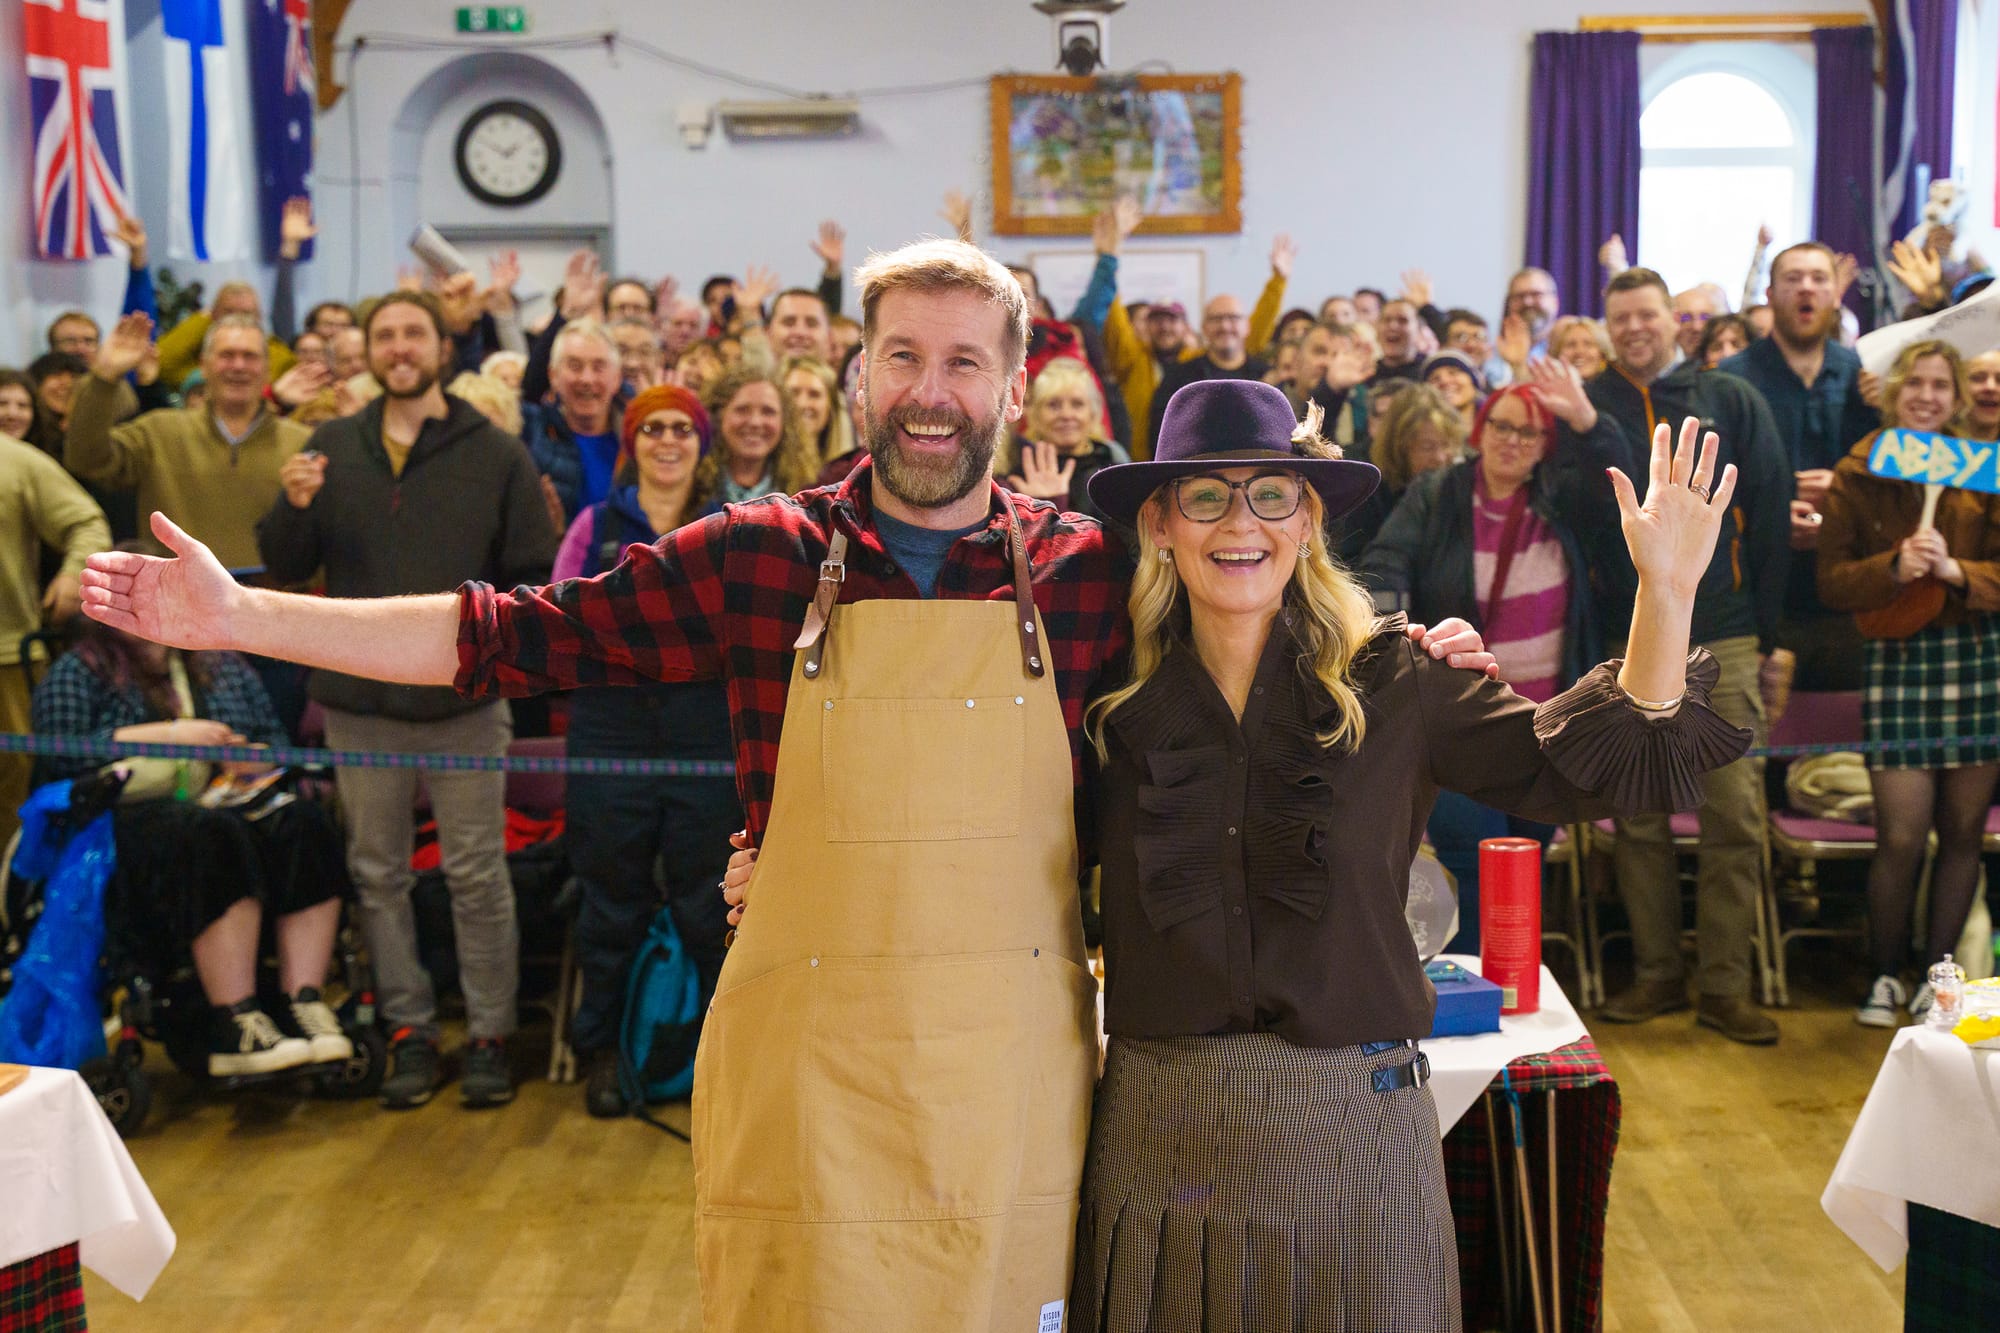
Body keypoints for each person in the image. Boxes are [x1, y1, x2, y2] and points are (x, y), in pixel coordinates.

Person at [80, 238, 1493, 1327]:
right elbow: (513, 631)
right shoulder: (757, 554)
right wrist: (251, 617)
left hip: (1012, 1082)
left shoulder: (1082, 573)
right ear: (860, 373)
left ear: (1010, 380)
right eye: (902, 357)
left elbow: (1252, 637)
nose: (930, 393)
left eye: (962, 362)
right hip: (812, 1080)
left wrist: (1399, 651)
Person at [1064, 378, 1745, 1329]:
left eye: (1271, 493)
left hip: (1355, 1145)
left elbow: (1586, 770)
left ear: (1306, 521)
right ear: (1161, 524)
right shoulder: (1105, 708)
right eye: (1205, 495)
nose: (1239, 522)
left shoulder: (1399, 678)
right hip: (1160, 1154)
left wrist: (1665, 596)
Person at [254, 291, 557, 1110]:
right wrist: (294, 504)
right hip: (359, 703)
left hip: (464, 699)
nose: (398, 347)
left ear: (440, 346)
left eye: (412, 333)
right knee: (378, 874)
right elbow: (284, 565)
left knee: (476, 873)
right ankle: (408, 1029)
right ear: (368, 348)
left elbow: (531, 570)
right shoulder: (329, 446)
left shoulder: (494, 452)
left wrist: (485, 652)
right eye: (383, 333)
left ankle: (491, 1031)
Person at [1585, 267, 1791, 1044]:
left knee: (1735, 814)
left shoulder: (1730, 397)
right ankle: (1655, 974)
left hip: (1728, 629)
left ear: (1675, 320)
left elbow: (1769, 515)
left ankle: (1725, 987)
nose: (1635, 328)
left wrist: (1771, 637)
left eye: (1647, 314)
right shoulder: (1591, 402)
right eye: (1621, 318)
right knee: (1638, 815)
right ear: (1608, 326)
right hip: (1630, 632)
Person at [1361, 368, 1624, 950]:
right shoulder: (1438, 493)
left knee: (1523, 862)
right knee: (1475, 858)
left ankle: (1515, 995)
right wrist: (1393, 643)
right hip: (1462, 718)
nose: (1513, 440)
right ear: (1480, 429)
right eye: (1502, 426)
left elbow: (1616, 496)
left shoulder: (1561, 501)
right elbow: (1385, 564)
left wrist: (1585, 420)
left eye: (1529, 434)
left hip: (1552, 720)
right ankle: (1475, 991)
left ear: (1544, 447)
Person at [30, 605, 352, 1077]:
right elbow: (58, 757)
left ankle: (303, 1000)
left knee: (302, 823)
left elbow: (273, 741)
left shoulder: (219, 663)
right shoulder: (78, 671)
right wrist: (170, 735)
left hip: (224, 795)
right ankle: (235, 1017)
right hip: (123, 818)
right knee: (210, 835)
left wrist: (253, 759)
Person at [551, 384, 741, 1115]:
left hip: (704, 727)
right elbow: (563, 615)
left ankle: (715, 1056)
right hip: (611, 729)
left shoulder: (729, 527)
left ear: (701, 444)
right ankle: (609, 1050)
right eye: (652, 428)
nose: (668, 440)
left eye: (682, 429)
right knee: (610, 901)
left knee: (710, 903)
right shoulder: (594, 523)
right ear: (632, 443)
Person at [1817, 340, 2000, 1027]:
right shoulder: (1860, 468)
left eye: (1940, 384)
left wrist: (1958, 573)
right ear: (1894, 391)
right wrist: (1894, 565)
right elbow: (1831, 580)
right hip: (1897, 659)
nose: (1927, 395)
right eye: (1915, 383)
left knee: (1962, 832)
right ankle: (1882, 976)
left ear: (1955, 397)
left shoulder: (1986, 469)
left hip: (1978, 657)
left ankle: (1937, 981)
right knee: (1899, 835)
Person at [1719, 242, 1880, 693]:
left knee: (1841, 749)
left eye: (1818, 278)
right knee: (1764, 750)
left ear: (1835, 294)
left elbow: (1897, 480)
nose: (1806, 288)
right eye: (1793, 279)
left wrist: (1844, 493)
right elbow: (1707, 480)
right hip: (1759, 601)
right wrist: (1767, 513)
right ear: (1769, 294)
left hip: (1847, 600)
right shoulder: (1732, 380)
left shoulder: (1864, 377)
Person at [67, 314, 314, 570]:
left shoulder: (302, 442)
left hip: (270, 600)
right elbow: (86, 460)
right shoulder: (159, 431)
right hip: (173, 600)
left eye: (249, 356)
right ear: (203, 365)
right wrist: (103, 378)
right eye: (226, 355)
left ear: (267, 369)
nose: (238, 366)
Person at [0, 433, 110, 838]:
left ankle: (9, 895)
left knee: (14, 794)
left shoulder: (13, 459)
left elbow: (86, 520)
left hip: (7, 657)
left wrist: (73, 571)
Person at [998, 357, 1130, 522]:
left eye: (1077, 404)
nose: (1066, 415)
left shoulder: (1112, 461)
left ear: (1094, 412)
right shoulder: (1016, 464)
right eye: (1054, 405)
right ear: (1035, 414)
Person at [521, 320, 625, 524]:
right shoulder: (529, 433)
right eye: (575, 366)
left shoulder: (639, 441)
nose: (586, 379)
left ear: (617, 378)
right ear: (553, 376)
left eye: (598, 367)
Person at [1145, 292, 1275, 446]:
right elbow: (1161, 438)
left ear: (1247, 326)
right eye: (1216, 319)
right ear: (1204, 328)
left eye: (1233, 318)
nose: (1225, 326)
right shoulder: (1178, 378)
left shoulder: (1268, 377)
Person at [699, 365, 819, 502]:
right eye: (742, 410)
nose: (755, 422)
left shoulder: (805, 495)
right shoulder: (690, 489)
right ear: (719, 416)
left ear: (785, 422)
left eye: (768, 411)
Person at [780, 354, 856, 463]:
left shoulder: (846, 470)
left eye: (814, 394)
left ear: (831, 407)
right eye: (793, 393)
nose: (802, 404)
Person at [1420, 348, 1485, 427]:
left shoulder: (1497, 419)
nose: (1444, 381)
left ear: (1473, 381)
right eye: (1435, 379)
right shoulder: (1419, 432)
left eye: (1453, 372)